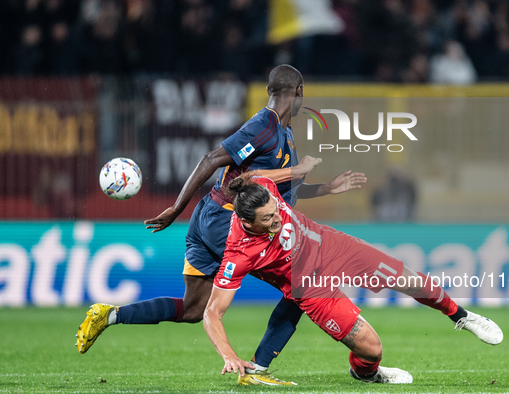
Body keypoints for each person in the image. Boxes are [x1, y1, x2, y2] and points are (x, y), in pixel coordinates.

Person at [75, 65, 366, 386]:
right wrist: (175, 208)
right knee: (302, 281)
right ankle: (257, 369)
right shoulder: (263, 126)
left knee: (193, 309)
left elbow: (280, 191)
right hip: (228, 222)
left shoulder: (284, 134)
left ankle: (110, 314)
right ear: (299, 92)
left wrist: (325, 188)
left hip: (208, 218)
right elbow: (212, 159)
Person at [203, 174, 503, 384]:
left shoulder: (263, 188)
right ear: (245, 222)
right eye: (267, 219)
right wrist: (228, 355)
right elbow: (212, 313)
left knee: (411, 280)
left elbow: (267, 178)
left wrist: (319, 183)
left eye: (275, 210)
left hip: (330, 246)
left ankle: (462, 316)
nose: (277, 218)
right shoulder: (238, 254)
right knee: (372, 349)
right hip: (310, 287)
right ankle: (367, 374)